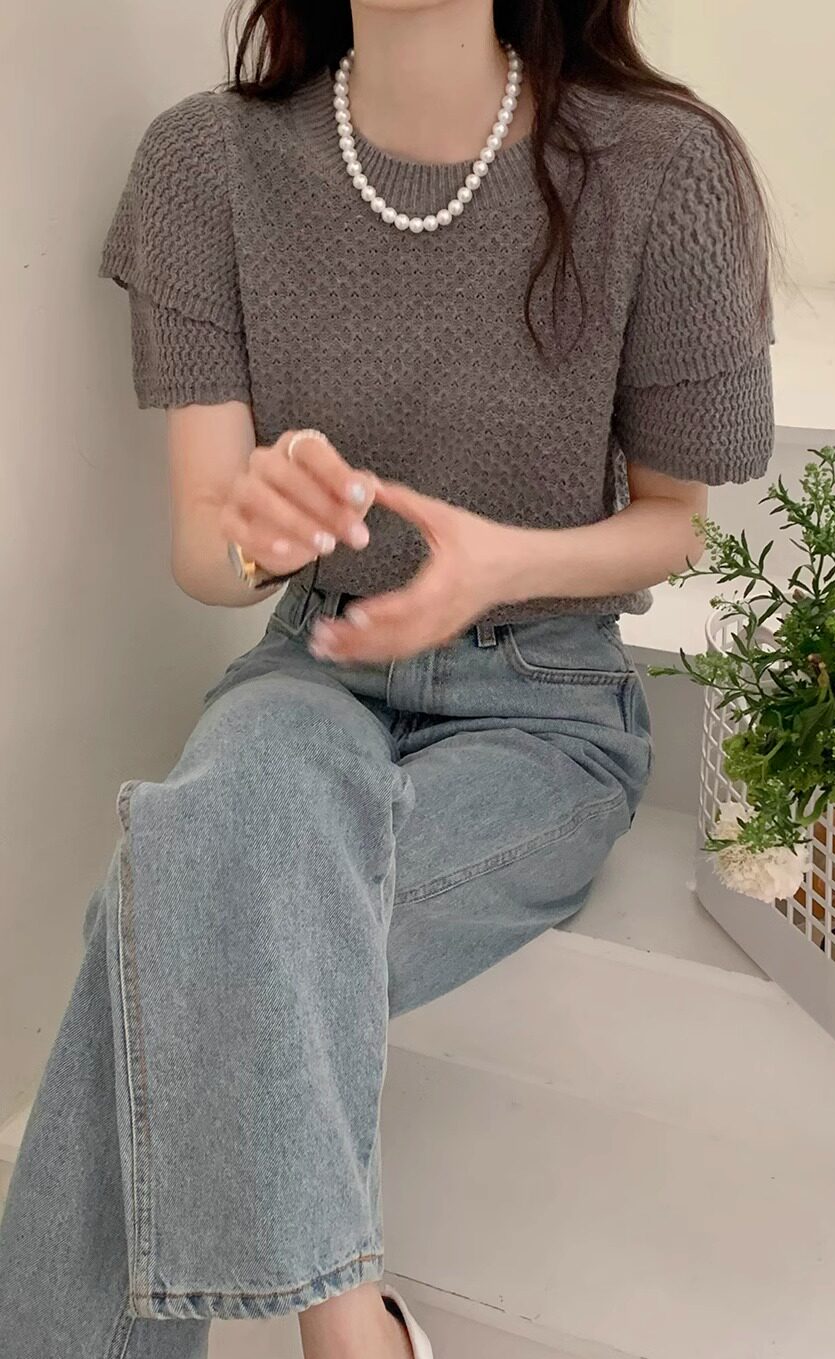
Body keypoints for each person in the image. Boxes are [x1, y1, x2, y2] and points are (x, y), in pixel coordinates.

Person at [0, 0, 775, 1355]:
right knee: (232, 826)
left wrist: (502, 564)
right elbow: (206, 547)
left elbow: (679, 523)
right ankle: (355, 1331)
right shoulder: (204, 165)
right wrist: (262, 531)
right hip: (315, 662)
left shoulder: (662, 166)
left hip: (545, 705)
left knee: (168, 905)